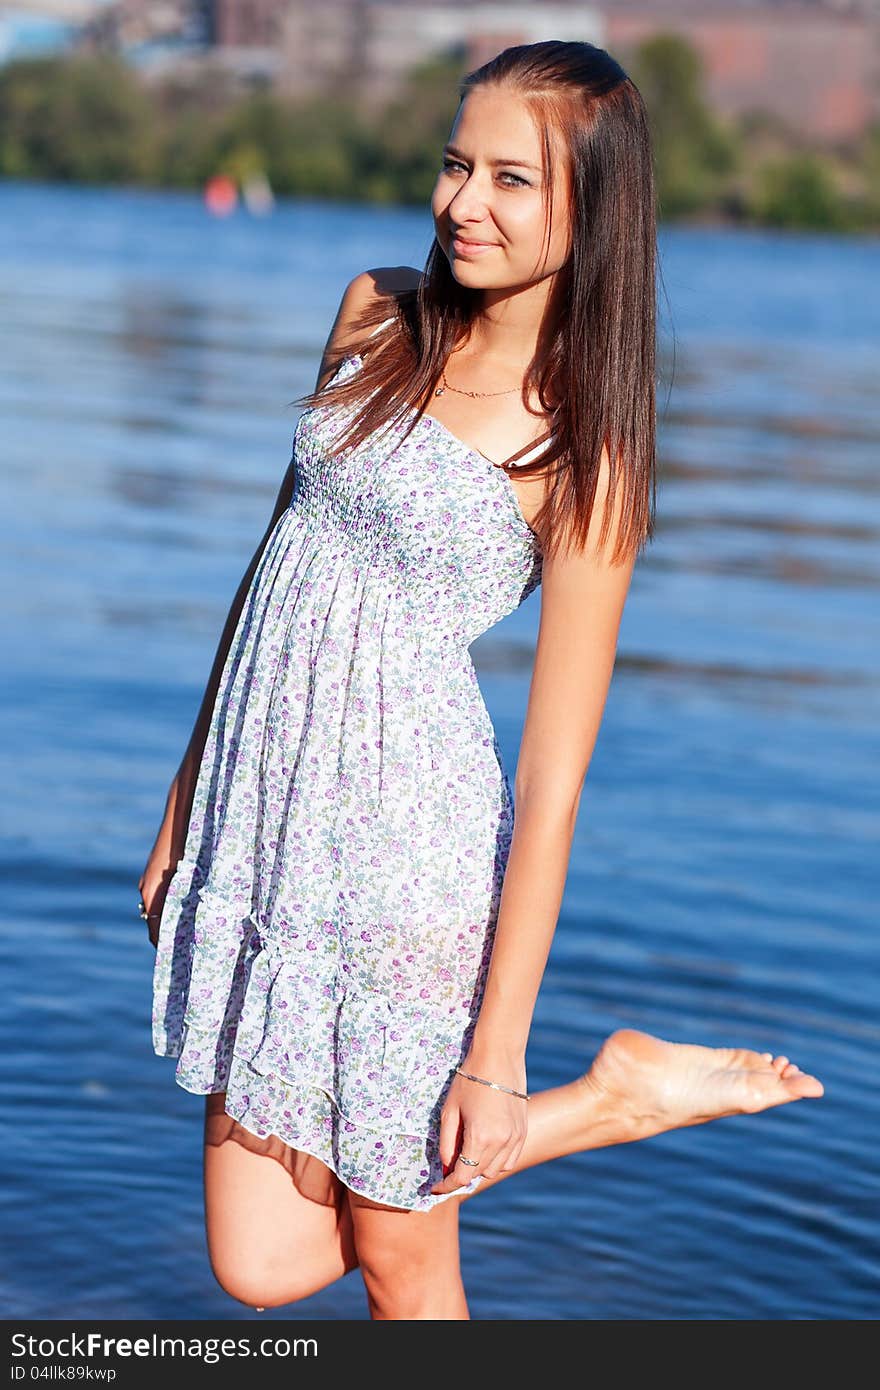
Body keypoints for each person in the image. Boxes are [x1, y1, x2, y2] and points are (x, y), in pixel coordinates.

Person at [140, 40, 823, 1321]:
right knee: (261, 1266)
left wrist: (496, 1058)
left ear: (591, 210)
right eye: (460, 164)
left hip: (409, 855)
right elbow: (269, 563)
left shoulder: (585, 450)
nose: (465, 203)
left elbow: (554, 779)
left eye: (515, 179)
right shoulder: (374, 311)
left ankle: (565, 1100)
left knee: (404, 1259)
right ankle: (610, 1100)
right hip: (266, 820)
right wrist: (187, 797)